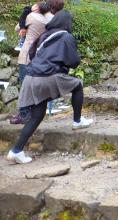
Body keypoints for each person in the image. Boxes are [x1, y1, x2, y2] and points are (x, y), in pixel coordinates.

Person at [6, 10, 93, 164]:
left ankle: (16, 151)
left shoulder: (44, 36)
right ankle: (77, 121)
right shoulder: (66, 36)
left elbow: (32, 54)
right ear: (67, 23)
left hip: (30, 77)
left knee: (37, 115)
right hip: (48, 76)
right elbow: (74, 61)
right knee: (77, 85)